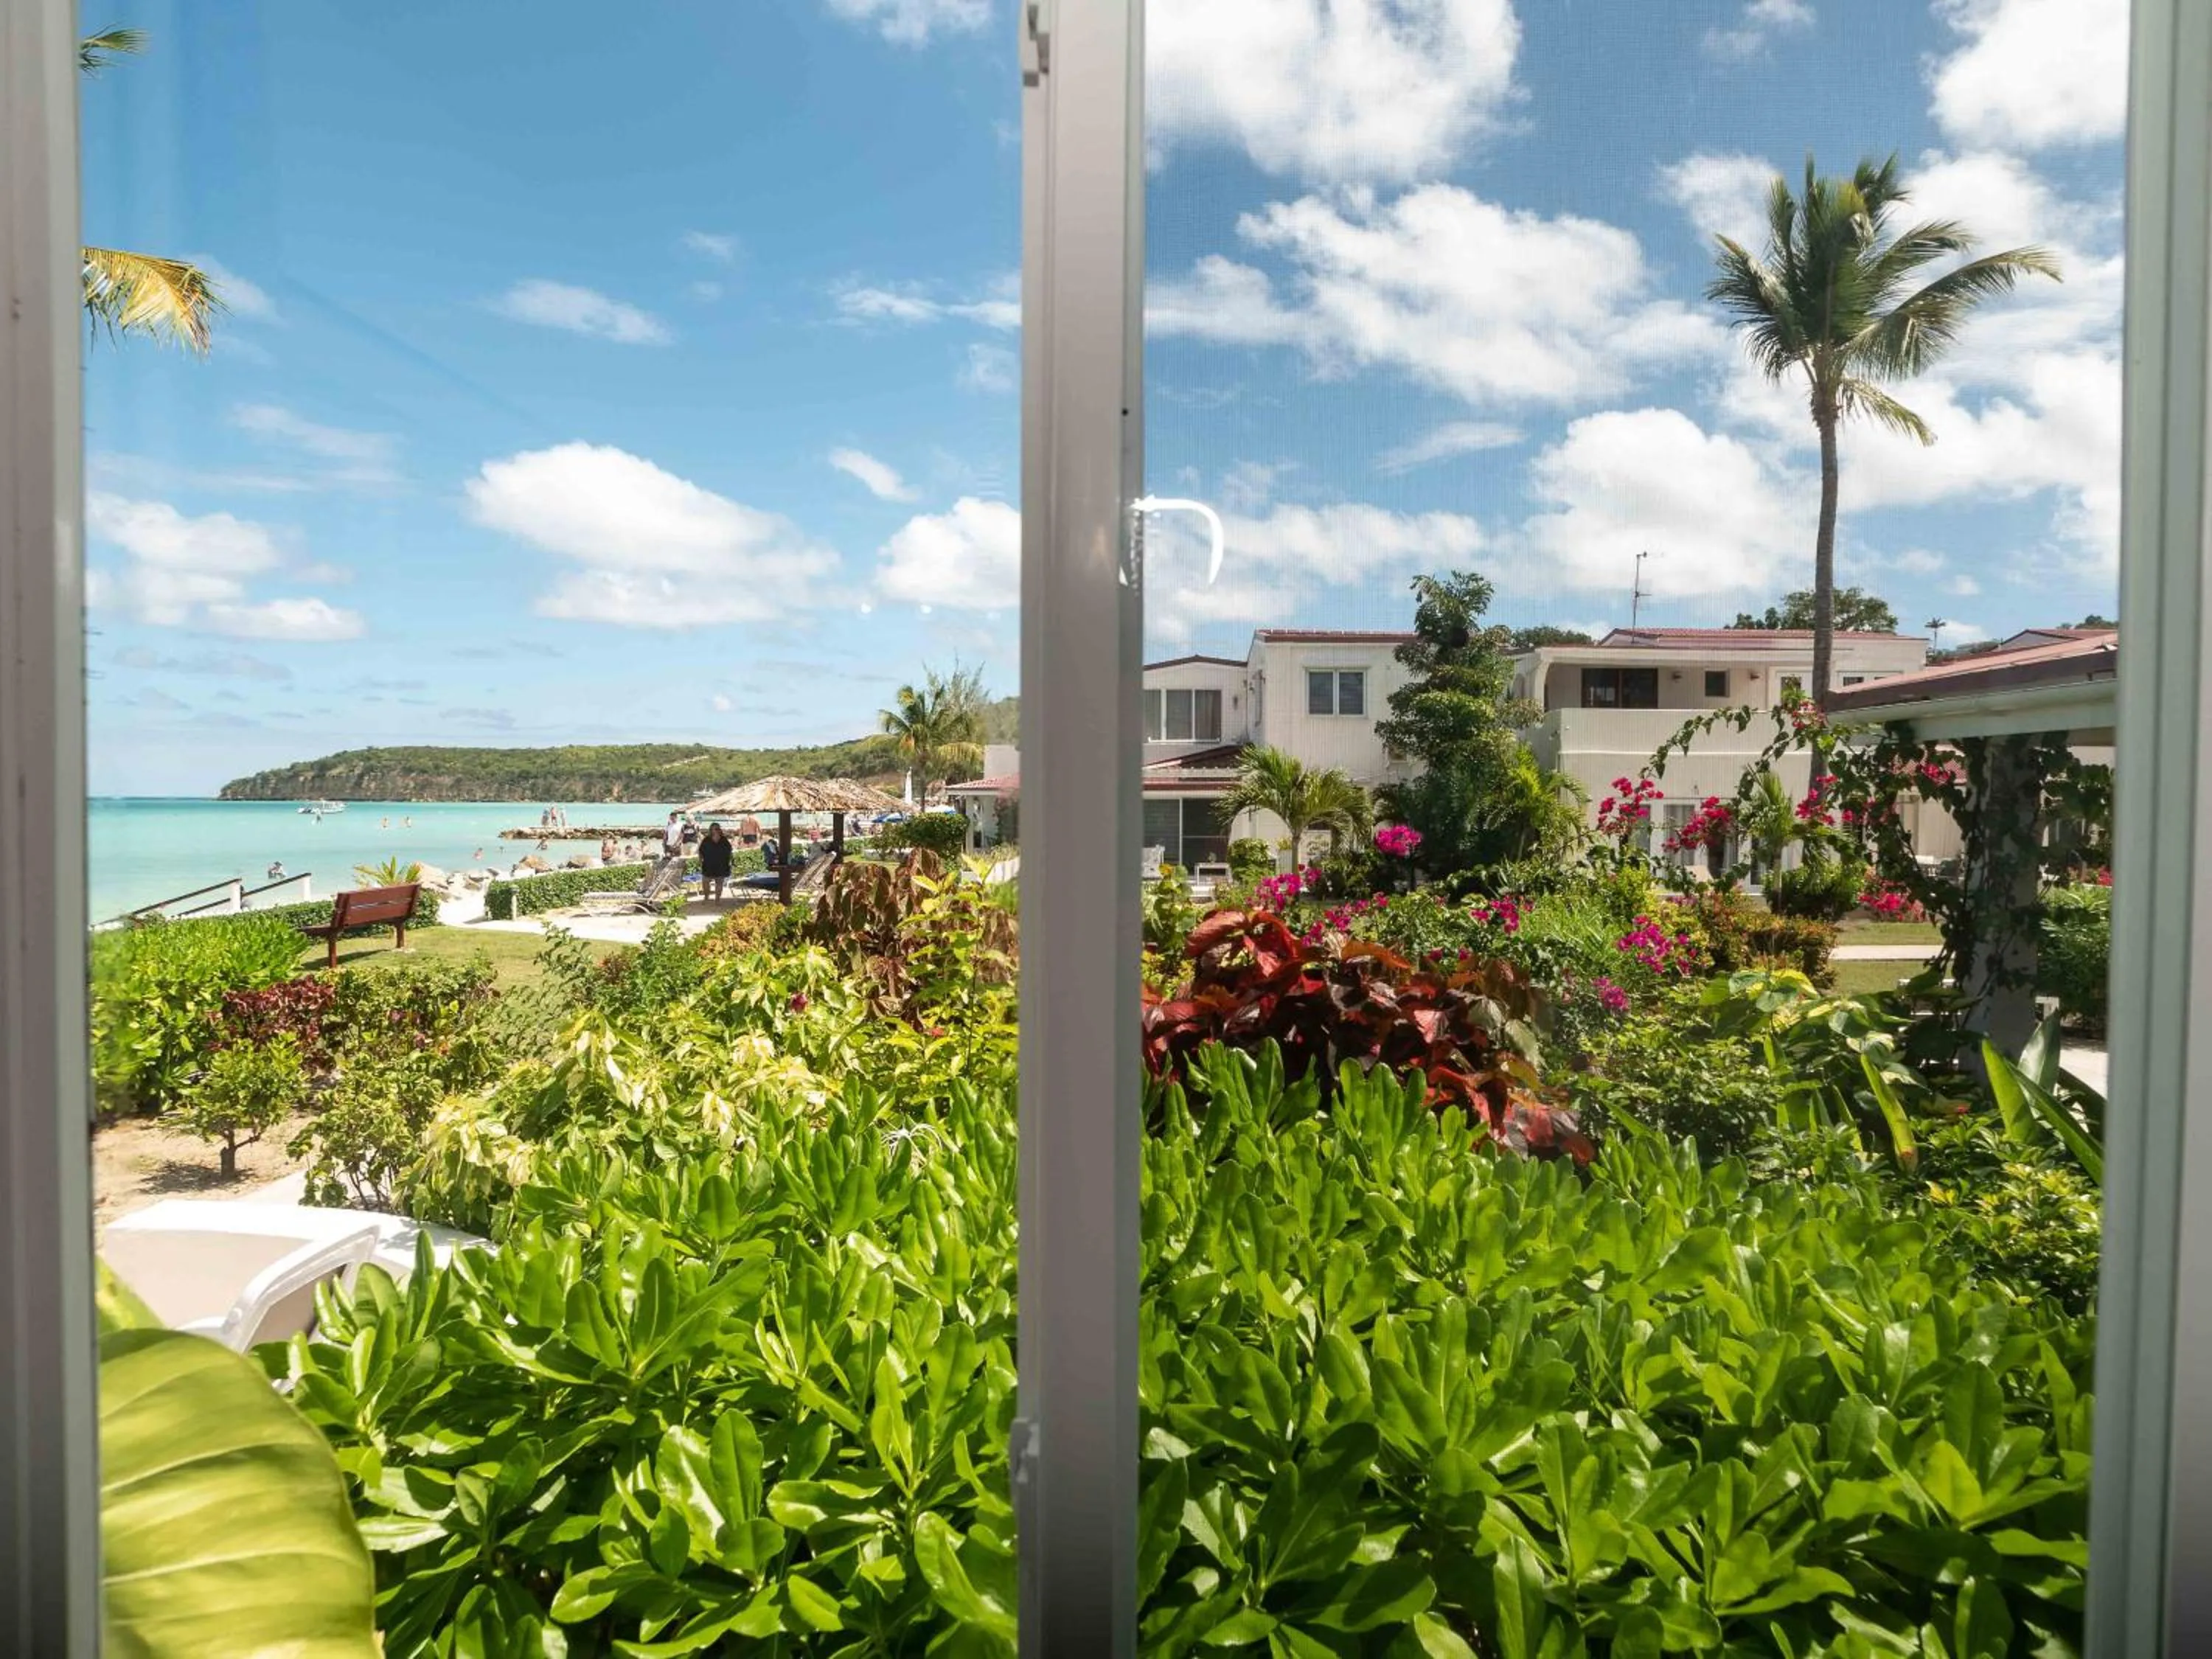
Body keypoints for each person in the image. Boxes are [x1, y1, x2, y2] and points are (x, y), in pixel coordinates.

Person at [699, 822, 733, 902]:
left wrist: (730, 862)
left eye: (718, 828)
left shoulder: (724, 840)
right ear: (711, 830)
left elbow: (730, 851)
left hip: (722, 864)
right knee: (705, 882)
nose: (718, 830)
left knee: (719, 882)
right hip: (708, 864)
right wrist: (700, 861)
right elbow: (700, 851)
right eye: (716, 829)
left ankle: (717, 899)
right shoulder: (706, 840)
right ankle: (707, 897)